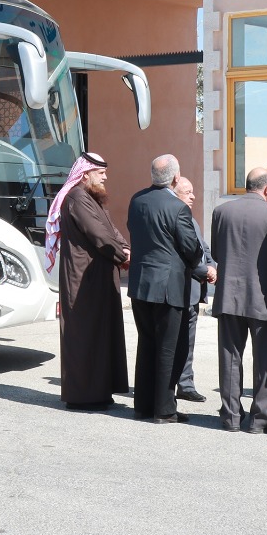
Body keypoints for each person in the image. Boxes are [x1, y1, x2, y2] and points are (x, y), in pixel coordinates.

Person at [45, 151, 131, 411]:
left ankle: (100, 392)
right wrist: (122, 255)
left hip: (98, 277)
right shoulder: (77, 198)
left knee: (101, 335)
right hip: (83, 279)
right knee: (85, 336)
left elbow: (110, 229)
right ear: (85, 175)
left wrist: (125, 249)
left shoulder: (89, 198)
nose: (105, 176)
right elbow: (99, 237)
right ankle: (83, 397)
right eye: (100, 172)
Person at [126, 154, 203, 424]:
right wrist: (198, 265)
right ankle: (164, 410)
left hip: (141, 284)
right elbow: (192, 249)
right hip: (169, 287)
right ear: (175, 178)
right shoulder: (178, 208)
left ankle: (143, 406)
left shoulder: (137, 200)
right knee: (168, 349)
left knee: (146, 345)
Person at [211, 167, 267, 433]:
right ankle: (260, 419)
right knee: (265, 360)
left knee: (230, 357)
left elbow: (218, 253)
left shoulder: (221, 212)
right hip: (264, 297)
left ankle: (230, 417)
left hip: (229, 294)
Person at [173, 176, 217, 404]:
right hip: (179, 289)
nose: (193, 196)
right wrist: (203, 271)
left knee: (188, 341)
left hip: (193, 291)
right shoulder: (175, 216)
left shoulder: (189, 217)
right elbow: (184, 253)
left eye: (193, 191)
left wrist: (212, 265)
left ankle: (186, 383)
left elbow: (203, 246)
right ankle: (173, 383)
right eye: (187, 192)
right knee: (175, 342)